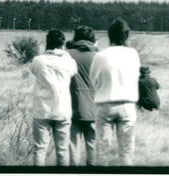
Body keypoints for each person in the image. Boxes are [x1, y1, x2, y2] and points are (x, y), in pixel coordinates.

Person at [90, 18, 141, 165]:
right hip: (127, 104)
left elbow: (93, 79)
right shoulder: (133, 54)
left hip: (105, 103)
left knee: (102, 151)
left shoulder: (100, 56)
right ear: (126, 36)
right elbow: (135, 76)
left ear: (109, 35)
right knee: (127, 151)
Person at [30, 29, 78, 166]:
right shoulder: (69, 62)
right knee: (63, 150)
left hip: (42, 110)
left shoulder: (38, 61)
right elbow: (74, 72)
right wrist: (66, 54)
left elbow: (33, 70)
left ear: (47, 43)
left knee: (40, 150)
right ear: (62, 43)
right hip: (62, 109)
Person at [66, 26, 98, 166]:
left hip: (72, 105)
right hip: (94, 107)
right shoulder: (98, 56)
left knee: (73, 146)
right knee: (92, 145)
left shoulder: (68, 54)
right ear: (92, 39)